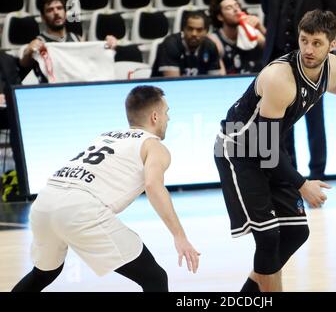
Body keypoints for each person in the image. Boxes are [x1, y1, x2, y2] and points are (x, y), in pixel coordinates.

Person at [214, 10, 336, 292]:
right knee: (267, 239)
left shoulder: (332, 67)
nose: (308, 49)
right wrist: (303, 184)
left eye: (316, 43)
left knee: (296, 232)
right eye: (304, 41)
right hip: (240, 150)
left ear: (331, 45)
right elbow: (265, 149)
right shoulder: (280, 78)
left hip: (269, 146)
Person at [11, 86, 200, 292]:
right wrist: (179, 236)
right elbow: (153, 186)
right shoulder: (154, 146)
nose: (168, 119)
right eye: (166, 112)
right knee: (154, 278)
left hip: (44, 203)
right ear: (155, 117)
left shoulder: (105, 135)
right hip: (80, 208)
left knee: (43, 274)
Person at [261, 0, 336, 181]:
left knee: (315, 119)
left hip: (310, 57)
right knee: (281, 122)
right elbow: (268, 12)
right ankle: (290, 174)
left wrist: (319, 43)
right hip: (277, 55)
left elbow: (335, 13)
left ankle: (317, 172)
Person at [20, 0, 117, 79]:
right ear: (42, 17)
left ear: (65, 13)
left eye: (59, 8)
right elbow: (24, 64)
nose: (56, 12)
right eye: (50, 10)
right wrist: (28, 52)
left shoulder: (77, 39)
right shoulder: (39, 43)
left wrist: (106, 46)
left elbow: (93, 62)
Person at [152, 10, 222, 77]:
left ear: (206, 31)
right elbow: (173, 83)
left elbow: (214, 80)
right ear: (183, 29)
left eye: (199, 30)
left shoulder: (210, 46)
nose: (194, 34)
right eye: (190, 29)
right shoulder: (171, 44)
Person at [208, 0, 265, 74]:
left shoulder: (251, 30)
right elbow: (220, 77)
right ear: (220, 17)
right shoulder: (215, 41)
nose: (236, 9)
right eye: (229, 8)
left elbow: (273, 51)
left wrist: (260, 28)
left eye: (237, 6)